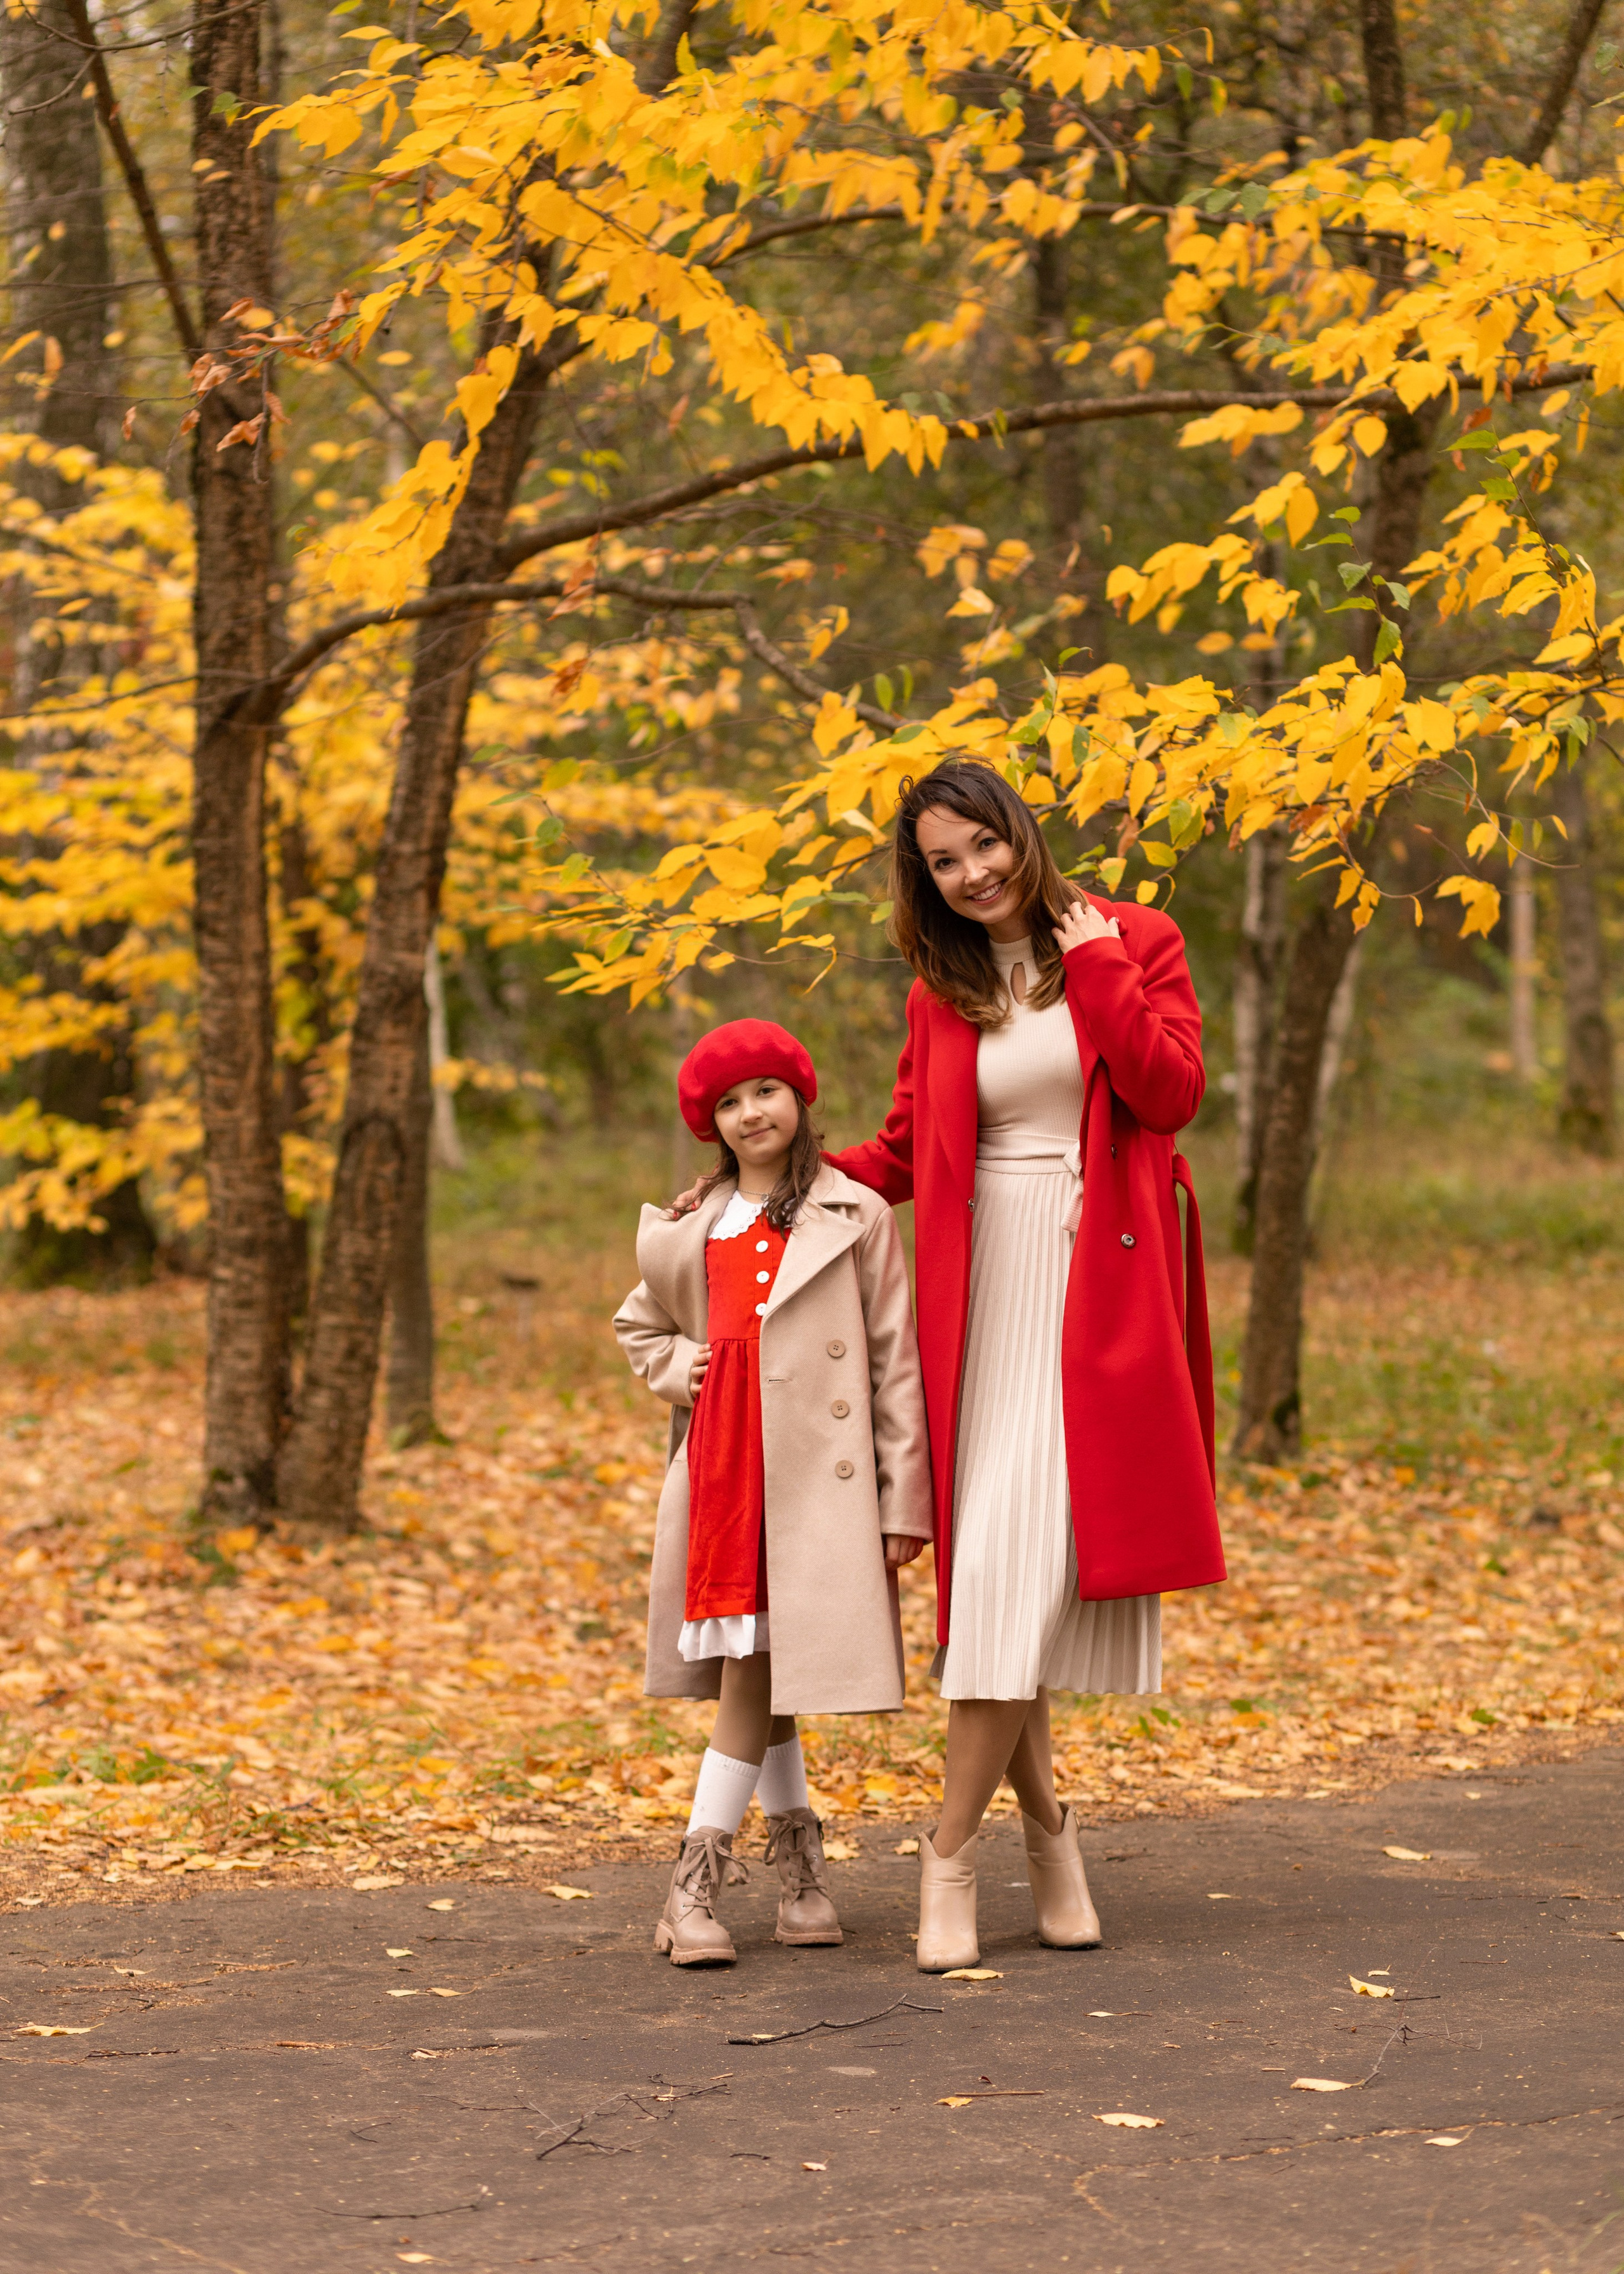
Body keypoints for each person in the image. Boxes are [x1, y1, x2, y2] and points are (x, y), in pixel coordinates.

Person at [614, 1018, 932, 1966]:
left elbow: (895, 1364)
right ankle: (735, 1882)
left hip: (817, 1485)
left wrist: (902, 1499)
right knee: (759, 1666)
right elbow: (639, 1328)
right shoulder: (692, 1225)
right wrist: (685, 1368)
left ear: (801, 1097)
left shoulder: (855, 1213)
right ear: (709, 1122)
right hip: (725, 1474)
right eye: (728, 1101)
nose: (751, 1112)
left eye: (766, 1090)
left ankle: (746, 1881)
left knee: (764, 1671)